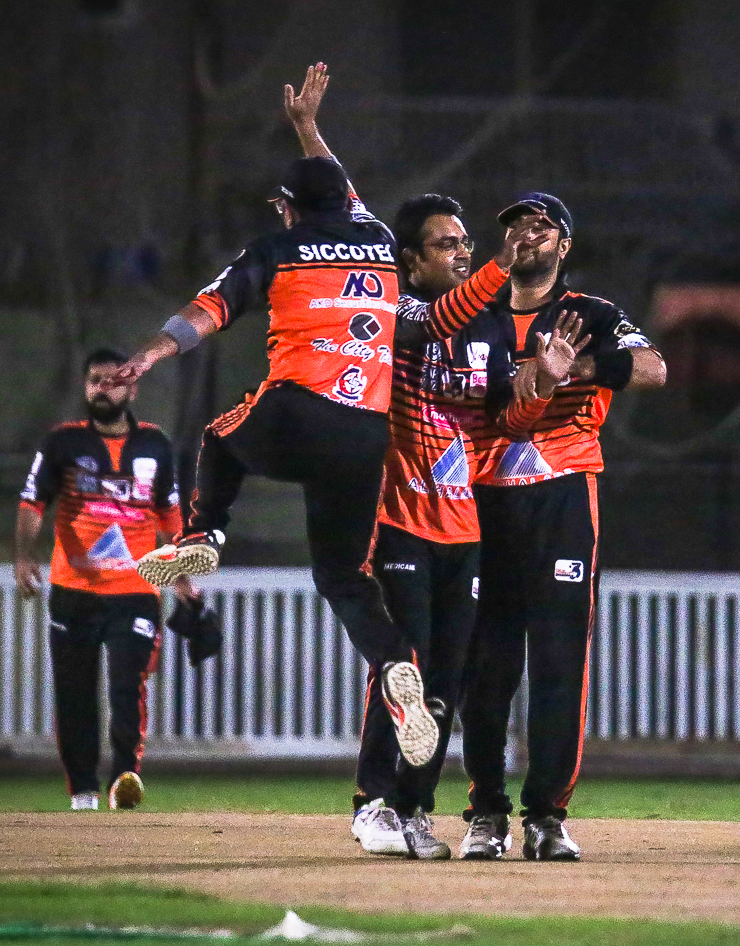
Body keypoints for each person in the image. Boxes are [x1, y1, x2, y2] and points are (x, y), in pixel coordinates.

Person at [108, 63, 437, 769]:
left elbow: (211, 309)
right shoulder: (380, 240)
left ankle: (204, 536)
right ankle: (397, 667)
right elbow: (341, 189)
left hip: (298, 411)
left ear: (287, 209)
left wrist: (153, 351)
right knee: (344, 577)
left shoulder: (277, 249)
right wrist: (308, 128)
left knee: (220, 439)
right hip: (365, 436)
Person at [272, 66, 548, 859]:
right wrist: (310, 133)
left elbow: (502, 421)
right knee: (405, 668)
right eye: (446, 243)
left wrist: (541, 387)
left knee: (447, 681)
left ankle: (415, 808)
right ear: (408, 256)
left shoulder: (490, 328)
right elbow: (353, 210)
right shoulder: (393, 304)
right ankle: (372, 802)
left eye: (465, 243)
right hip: (397, 520)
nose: (461, 253)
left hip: (462, 528)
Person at [457, 193, 667, 861]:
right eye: (516, 226)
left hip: (563, 496)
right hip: (483, 499)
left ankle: (546, 815)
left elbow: (654, 368)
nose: (527, 235)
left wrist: (568, 366)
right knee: (487, 667)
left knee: (558, 660)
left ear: (564, 244)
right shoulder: (475, 315)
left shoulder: (592, 314)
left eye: (542, 227)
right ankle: (486, 812)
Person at [15, 348, 197, 811]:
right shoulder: (62, 443)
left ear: (132, 388)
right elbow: (33, 502)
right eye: (94, 380)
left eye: (112, 380)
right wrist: (23, 556)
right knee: (74, 694)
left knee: (126, 687)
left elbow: (170, 514)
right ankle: (83, 792)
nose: (102, 388)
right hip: (72, 590)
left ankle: (124, 780)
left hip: (135, 591)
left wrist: (180, 576)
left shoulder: (155, 444)